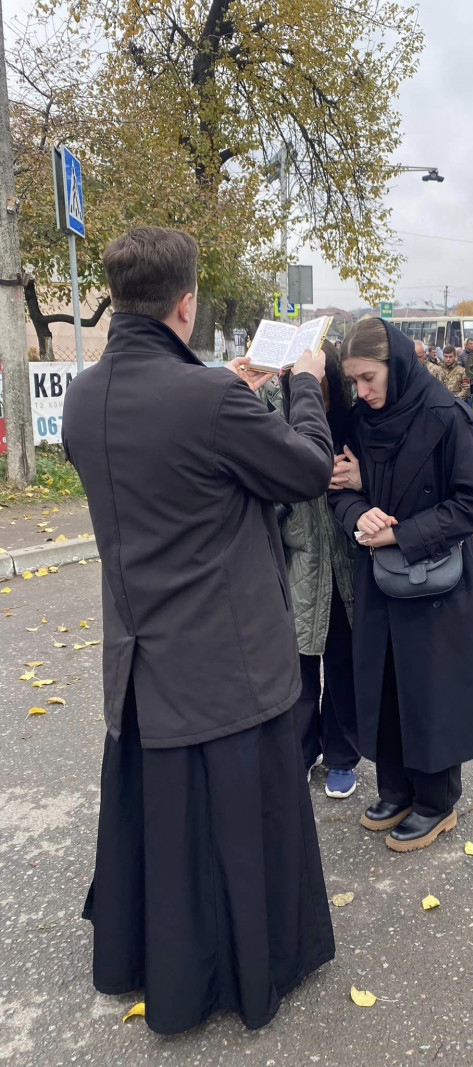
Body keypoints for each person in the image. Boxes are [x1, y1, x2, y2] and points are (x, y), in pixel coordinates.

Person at [61, 226, 335, 1034]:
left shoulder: (83, 394)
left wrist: (226, 382)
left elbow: (163, 462)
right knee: (234, 830)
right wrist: (306, 385)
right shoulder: (212, 402)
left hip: (141, 659)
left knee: (166, 826)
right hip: (225, 663)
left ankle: (144, 957)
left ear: (118, 299)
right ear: (186, 305)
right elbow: (307, 470)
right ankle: (245, 972)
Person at [328, 317, 473, 853]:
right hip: (379, 577)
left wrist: (397, 532)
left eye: (369, 378)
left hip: (435, 578)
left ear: (396, 366)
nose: (363, 391)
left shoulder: (446, 415)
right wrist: (358, 511)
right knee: (384, 682)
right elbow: (339, 489)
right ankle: (396, 788)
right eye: (354, 380)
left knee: (432, 688)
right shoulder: (359, 418)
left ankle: (436, 801)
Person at [263, 342, 360, 798]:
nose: (314, 395)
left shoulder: (352, 426)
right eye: (305, 384)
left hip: (345, 570)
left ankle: (342, 756)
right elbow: (262, 501)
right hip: (297, 567)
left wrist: (360, 480)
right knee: (299, 673)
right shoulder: (275, 428)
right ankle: (302, 753)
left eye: (322, 384)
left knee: (343, 670)